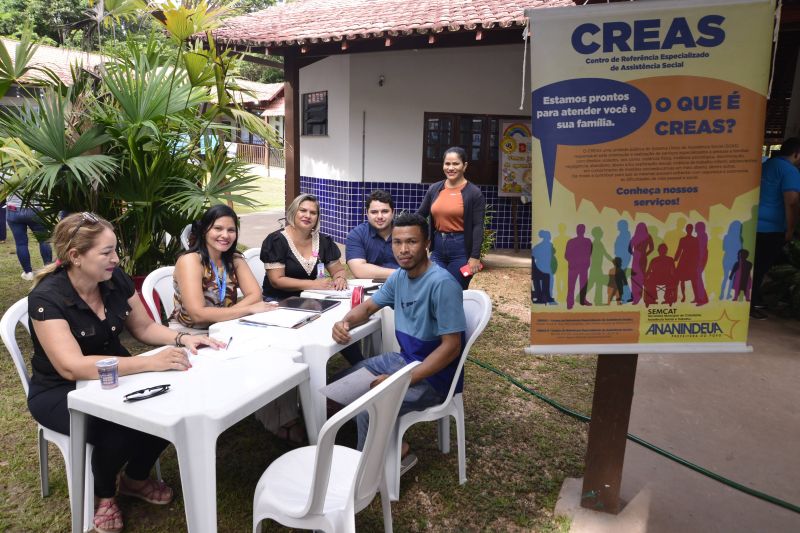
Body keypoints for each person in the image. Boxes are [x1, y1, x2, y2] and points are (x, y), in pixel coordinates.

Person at [26, 212, 224, 533]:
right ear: (75, 256)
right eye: (106, 252)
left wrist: (185, 338)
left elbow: (144, 327)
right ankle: (105, 494)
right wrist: (148, 363)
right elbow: (71, 365)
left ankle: (136, 478)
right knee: (120, 425)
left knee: (172, 403)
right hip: (62, 390)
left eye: (115, 249)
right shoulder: (48, 297)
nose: (115, 259)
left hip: (114, 376)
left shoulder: (114, 278)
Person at [331, 212, 466, 470]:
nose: (403, 249)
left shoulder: (443, 284)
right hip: (403, 360)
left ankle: (364, 477)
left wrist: (398, 380)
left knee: (368, 405)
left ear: (427, 243)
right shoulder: (399, 277)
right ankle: (393, 447)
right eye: (397, 242)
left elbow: (451, 348)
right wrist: (345, 322)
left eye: (412, 242)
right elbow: (368, 308)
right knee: (340, 386)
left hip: (434, 378)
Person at [171, 204, 276, 332]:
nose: (225, 235)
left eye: (231, 230)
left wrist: (227, 314)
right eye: (218, 228)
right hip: (191, 333)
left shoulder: (235, 259)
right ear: (204, 230)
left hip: (227, 325)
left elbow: (255, 295)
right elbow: (198, 315)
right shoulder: (190, 261)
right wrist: (247, 309)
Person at [417, 146, 486, 289]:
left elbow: (478, 226)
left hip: (461, 249)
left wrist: (475, 257)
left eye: (456, 164)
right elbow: (420, 216)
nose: (451, 168)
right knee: (433, 287)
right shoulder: (435, 189)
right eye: (447, 164)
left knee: (453, 289)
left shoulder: (474, 193)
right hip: (437, 247)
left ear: (464, 166)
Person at [260, 194, 348, 301]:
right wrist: (313, 284)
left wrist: (340, 278)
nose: (308, 216)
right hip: (277, 302)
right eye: (303, 210)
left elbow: (338, 270)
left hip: (311, 299)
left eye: (313, 213)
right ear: (293, 212)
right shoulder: (276, 241)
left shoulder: (324, 241)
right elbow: (277, 281)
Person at [751, 137, 800, 319]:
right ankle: (750, 305)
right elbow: (792, 202)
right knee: (761, 267)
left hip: (753, 223)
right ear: (796, 153)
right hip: (771, 228)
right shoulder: (790, 171)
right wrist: (790, 228)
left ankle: (755, 297)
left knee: (753, 265)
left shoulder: (766, 165)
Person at [345, 189, 399, 279]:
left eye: (385, 211)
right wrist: (401, 274)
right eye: (374, 212)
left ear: (393, 212)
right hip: (368, 288)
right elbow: (359, 270)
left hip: (404, 286)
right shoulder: (357, 235)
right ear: (367, 213)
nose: (380, 216)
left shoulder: (406, 233)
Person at [6, 193, 52, 280]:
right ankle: (48, 269)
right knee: (43, 240)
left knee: (21, 244)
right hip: (34, 208)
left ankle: (28, 273)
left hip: (13, 210)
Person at [565, 224, 593, 309]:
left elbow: (589, 253)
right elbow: (566, 255)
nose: (580, 231)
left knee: (579, 285)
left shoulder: (586, 241)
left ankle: (577, 301)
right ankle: (572, 302)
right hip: (576, 266)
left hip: (580, 267)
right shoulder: (586, 241)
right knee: (573, 285)